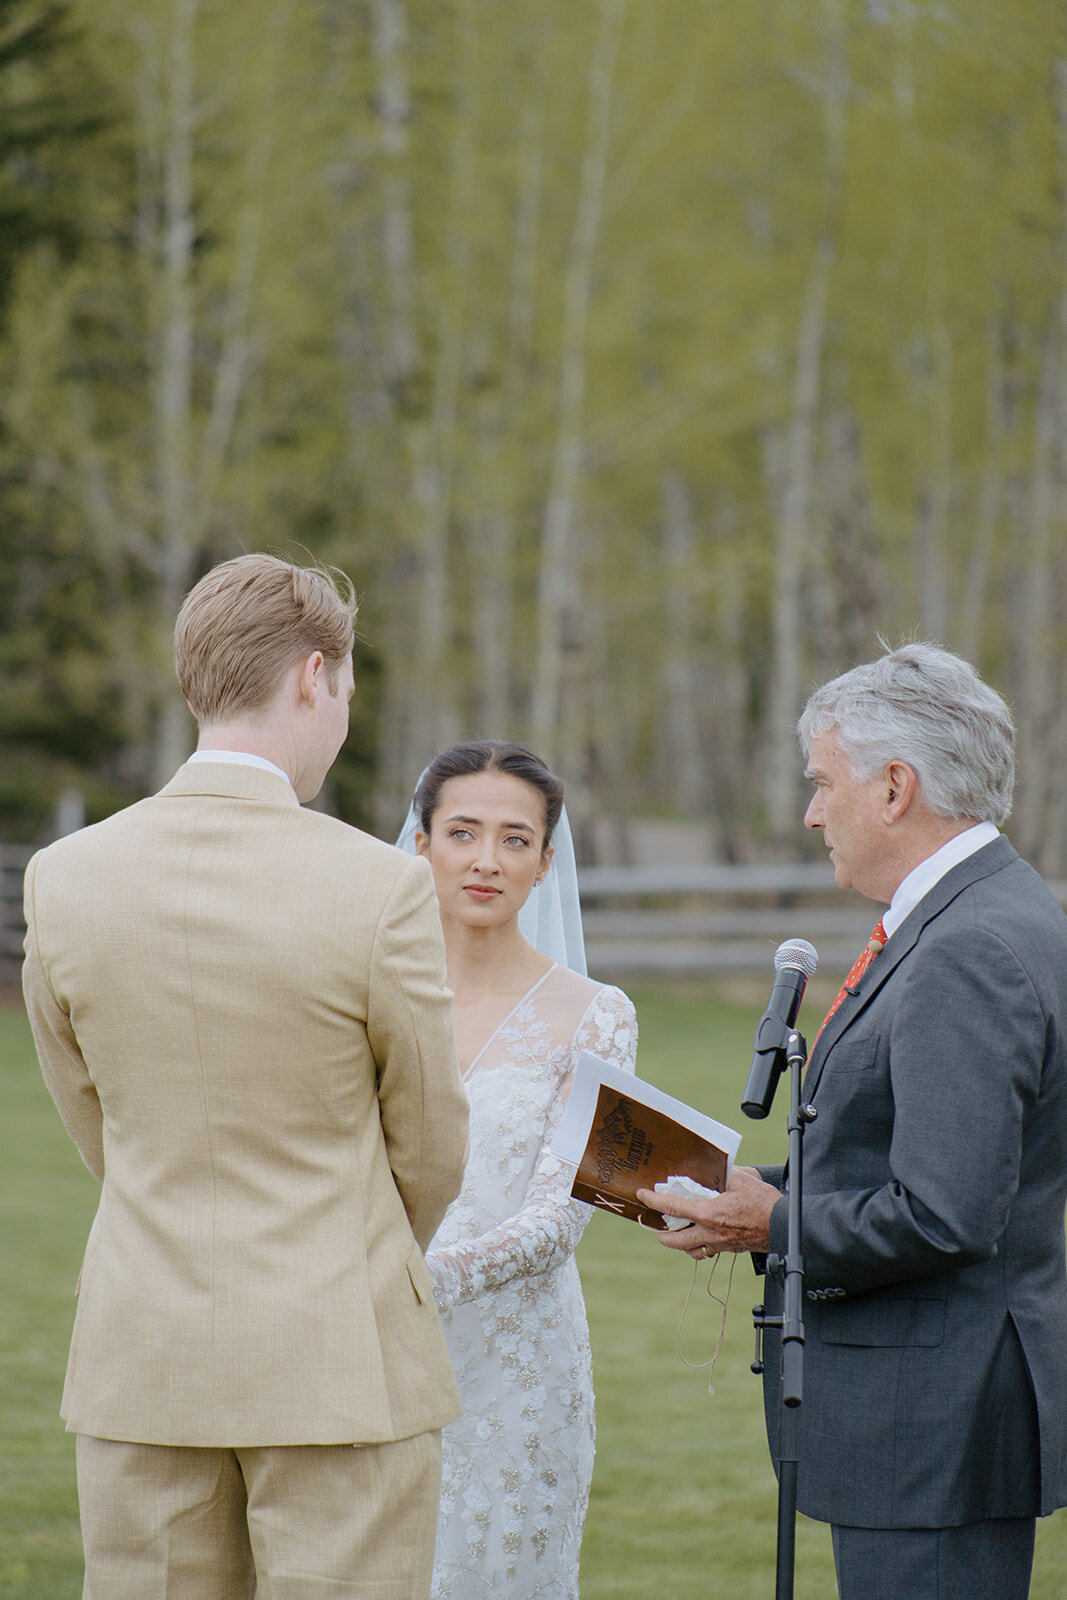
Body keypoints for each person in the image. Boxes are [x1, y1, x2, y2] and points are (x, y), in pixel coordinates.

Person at [22, 552, 470, 1600]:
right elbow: (432, 1142)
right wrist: (345, 1242)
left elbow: (91, 1112)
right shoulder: (379, 885)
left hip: (146, 1350)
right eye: (346, 693)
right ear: (313, 675)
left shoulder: (66, 876)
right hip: (340, 1354)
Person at [638, 642, 1067, 1600]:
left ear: (894, 788)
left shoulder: (969, 946)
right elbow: (907, 1151)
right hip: (934, 1416)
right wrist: (754, 1187)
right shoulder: (983, 906)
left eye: (823, 783)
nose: (810, 812)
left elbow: (945, 1212)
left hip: (934, 1423)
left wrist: (767, 1223)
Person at [396, 740, 638, 1600]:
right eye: (462, 832)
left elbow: (559, 1218)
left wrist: (408, 1281)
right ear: (421, 842)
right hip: (367, 1353)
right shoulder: (370, 995)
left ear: (544, 861)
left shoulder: (599, 1017)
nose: (486, 861)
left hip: (513, 1369)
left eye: (514, 839)